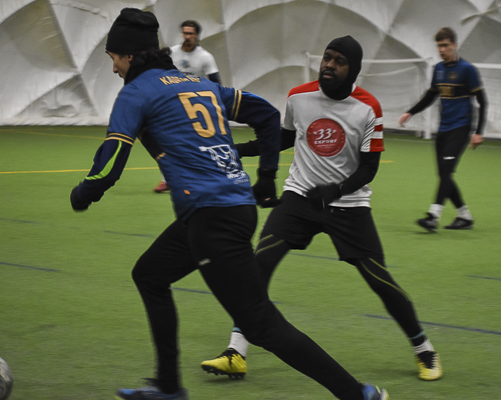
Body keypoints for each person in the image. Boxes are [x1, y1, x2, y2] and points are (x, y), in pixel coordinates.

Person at [70, 9, 387, 400]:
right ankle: (168, 386)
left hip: (212, 219)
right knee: (150, 275)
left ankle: (358, 394)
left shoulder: (136, 92)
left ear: (129, 55)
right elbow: (266, 115)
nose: (114, 67)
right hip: (225, 209)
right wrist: (266, 175)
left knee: (260, 324)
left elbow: (108, 167)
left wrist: (83, 193)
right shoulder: (197, 84)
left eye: (114, 58)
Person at [201, 35, 442, 383]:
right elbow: (283, 139)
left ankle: (423, 348)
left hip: (348, 205)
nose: (329, 65)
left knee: (379, 280)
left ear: (353, 70)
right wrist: (239, 149)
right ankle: (236, 351)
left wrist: (336, 191)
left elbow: (369, 168)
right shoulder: (298, 97)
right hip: (299, 198)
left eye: (339, 61)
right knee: (258, 266)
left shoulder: (368, 108)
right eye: (327, 58)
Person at [399, 27, 487, 232]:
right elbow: (431, 96)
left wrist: (479, 132)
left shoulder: (467, 69)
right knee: (444, 175)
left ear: (454, 45)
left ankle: (433, 216)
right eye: (439, 46)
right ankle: (464, 216)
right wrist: (410, 112)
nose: (442, 49)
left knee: (446, 171)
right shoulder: (438, 69)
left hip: (461, 127)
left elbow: (483, 101)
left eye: (445, 45)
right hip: (443, 129)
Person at [154, 20, 222, 193]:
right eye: (185, 33)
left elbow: (216, 83)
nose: (187, 36)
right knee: (166, 142)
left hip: (195, 107)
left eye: (191, 34)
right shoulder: (172, 53)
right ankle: (167, 180)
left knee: (196, 145)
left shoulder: (205, 57)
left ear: (197, 35)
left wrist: (216, 105)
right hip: (172, 105)